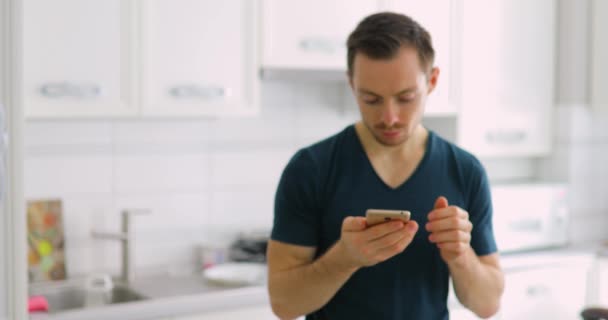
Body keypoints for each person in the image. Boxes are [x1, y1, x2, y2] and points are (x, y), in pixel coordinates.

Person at [267, 11, 504, 320]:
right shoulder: (310, 168)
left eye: (405, 98)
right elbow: (284, 304)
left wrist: (460, 256)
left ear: (431, 81)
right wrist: (344, 259)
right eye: (371, 99)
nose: (389, 117)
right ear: (351, 83)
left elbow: (488, 305)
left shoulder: (465, 171)